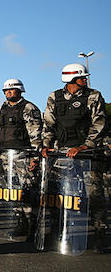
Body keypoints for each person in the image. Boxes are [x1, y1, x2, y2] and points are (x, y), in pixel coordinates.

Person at [41, 63, 108, 253]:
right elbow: (48, 125)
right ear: (71, 80)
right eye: (81, 78)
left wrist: (85, 146)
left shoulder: (93, 96)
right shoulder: (55, 97)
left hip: (87, 154)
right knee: (58, 195)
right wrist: (45, 146)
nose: (85, 80)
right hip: (62, 154)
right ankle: (57, 232)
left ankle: (99, 233)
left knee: (93, 196)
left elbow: (99, 124)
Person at [0, 79, 42, 240]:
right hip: (6, 156)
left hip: (24, 155)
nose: (8, 92)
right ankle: (21, 223)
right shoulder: (2, 108)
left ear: (20, 90)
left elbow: (35, 134)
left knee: (28, 191)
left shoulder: (28, 108)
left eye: (12, 90)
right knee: (14, 191)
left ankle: (33, 227)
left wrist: (35, 158)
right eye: (6, 90)